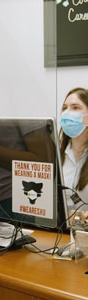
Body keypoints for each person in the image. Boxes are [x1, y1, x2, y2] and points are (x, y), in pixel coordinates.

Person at [59, 87, 88, 223]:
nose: (67, 113)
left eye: (75, 107)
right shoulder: (56, 155)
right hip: (57, 234)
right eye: (65, 108)